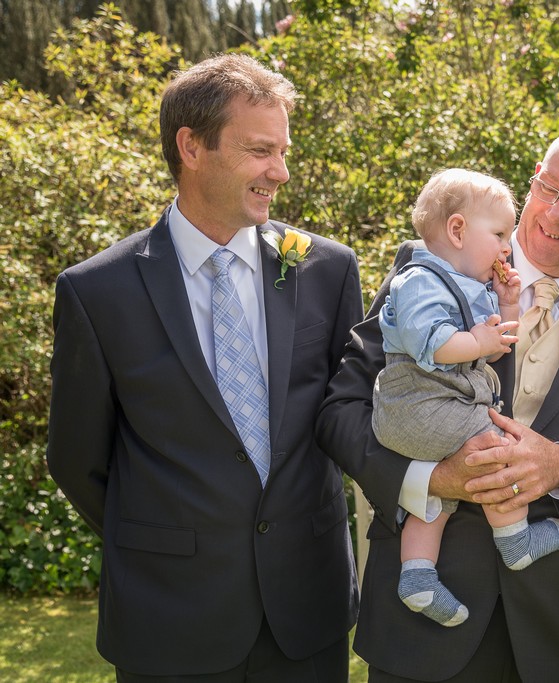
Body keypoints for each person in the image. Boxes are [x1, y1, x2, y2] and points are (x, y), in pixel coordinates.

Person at [317, 126, 559, 682]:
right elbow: (341, 411)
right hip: (422, 636)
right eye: (548, 188)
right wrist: (432, 478)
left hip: (557, 636)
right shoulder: (431, 272)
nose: (555, 213)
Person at [46, 54, 363, 681]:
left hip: (307, 609)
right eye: (260, 151)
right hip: (168, 615)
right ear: (191, 147)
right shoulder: (97, 292)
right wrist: (169, 536)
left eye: (283, 151)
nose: (281, 171)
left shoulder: (327, 270)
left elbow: (348, 416)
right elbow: (78, 459)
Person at [372, 168, 559, 628]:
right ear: (457, 230)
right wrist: (478, 340)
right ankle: (515, 540)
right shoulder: (419, 279)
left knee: (437, 495)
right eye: (499, 234)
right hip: (417, 404)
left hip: (433, 409)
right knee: (497, 451)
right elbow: (433, 344)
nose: (507, 247)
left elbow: (497, 346)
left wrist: (506, 304)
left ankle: (417, 575)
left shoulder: (466, 283)